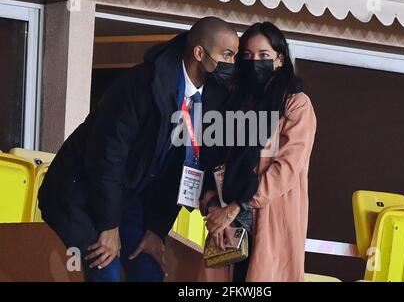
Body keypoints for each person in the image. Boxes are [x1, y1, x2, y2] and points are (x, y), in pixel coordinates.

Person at [38, 17, 239, 282]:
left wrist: (157, 230)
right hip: (82, 187)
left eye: (235, 56)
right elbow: (107, 158)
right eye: (227, 54)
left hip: (130, 193)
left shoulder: (212, 99)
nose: (232, 64)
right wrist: (109, 227)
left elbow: (184, 168)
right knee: (104, 268)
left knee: (149, 271)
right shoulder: (143, 84)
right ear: (199, 53)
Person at [200, 22, 317, 282]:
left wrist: (235, 207)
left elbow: (284, 170)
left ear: (280, 59)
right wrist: (215, 210)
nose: (255, 62)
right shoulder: (235, 102)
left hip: (270, 220)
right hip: (227, 225)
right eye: (248, 56)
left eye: (264, 56)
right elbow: (215, 160)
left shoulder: (296, 105)